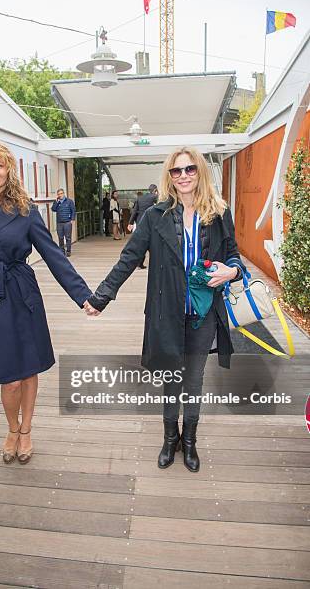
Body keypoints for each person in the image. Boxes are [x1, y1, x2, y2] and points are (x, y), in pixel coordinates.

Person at [84, 147, 245, 473]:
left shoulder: (219, 213)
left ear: (200, 172)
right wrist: (101, 296)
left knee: (195, 379)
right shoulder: (155, 216)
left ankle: (190, 442)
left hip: (204, 314)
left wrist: (232, 272)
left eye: (189, 169)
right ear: (169, 176)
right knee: (172, 377)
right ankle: (170, 439)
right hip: (166, 313)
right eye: (176, 171)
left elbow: (234, 256)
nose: (183, 176)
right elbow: (129, 258)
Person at [0, 141, 92, 465]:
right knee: (9, 376)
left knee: (28, 368)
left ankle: (26, 430)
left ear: (8, 169)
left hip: (23, 295)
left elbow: (53, 254)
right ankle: (12, 428)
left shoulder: (24, 208)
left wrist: (83, 296)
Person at [128, 184, 158, 269]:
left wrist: (130, 223)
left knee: (141, 243)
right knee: (153, 242)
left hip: (140, 222)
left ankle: (139, 264)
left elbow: (134, 212)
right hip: (151, 223)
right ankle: (155, 263)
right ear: (155, 190)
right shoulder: (155, 197)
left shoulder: (140, 198)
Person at [51, 188, 76, 256]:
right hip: (59, 223)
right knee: (60, 238)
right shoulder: (57, 202)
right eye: (59, 194)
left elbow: (73, 210)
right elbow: (53, 209)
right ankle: (62, 251)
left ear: (64, 193)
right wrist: (56, 202)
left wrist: (72, 220)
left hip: (67, 222)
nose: (60, 195)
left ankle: (68, 251)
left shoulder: (69, 201)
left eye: (61, 193)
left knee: (68, 238)